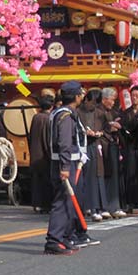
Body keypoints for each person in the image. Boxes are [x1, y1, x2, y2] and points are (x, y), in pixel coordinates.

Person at [44, 81, 87, 255]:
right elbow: (64, 143)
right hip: (65, 164)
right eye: (81, 94)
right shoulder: (65, 116)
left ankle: (64, 237)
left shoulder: (59, 113)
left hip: (65, 162)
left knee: (68, 202)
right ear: (76, 96)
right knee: (62, 203)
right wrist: (65, 166)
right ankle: (54, 240)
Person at [78, 89, 108, 221]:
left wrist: (101, 133)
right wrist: (84, 132)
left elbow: (106, 129)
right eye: (91, 103)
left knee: (97, 176)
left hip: (96, 146)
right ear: (86, 100)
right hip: (82, 147)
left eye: (96, 104)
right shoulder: (78, 113)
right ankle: (86, 206)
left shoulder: (100, 113)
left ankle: (97, 207)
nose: (93, 106)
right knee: (85, 177)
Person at [98, 88, 126, 218]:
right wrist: (109, 127)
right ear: (104, 99)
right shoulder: (98, 112)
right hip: (102, 146)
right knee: (103, 176)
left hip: (113, 146)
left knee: (114, 177)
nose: (113, 102)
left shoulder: (113, 112)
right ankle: (103, 206)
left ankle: (114, 206)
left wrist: (118, 126)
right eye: (112, 99)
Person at [121, 86, 138, 213]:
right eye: (133, 95)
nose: (134, 97)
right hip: (130, 146)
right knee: (130, 173)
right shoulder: (126, 112)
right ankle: (132, 201)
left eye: (137, 95)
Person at [29, 94, 55, 214]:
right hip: (44, 156)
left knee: (36, 181)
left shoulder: (36, 117)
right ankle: (46, 205)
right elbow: (48, 139)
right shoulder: (48, 118)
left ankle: (37, 204)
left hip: (35, 153)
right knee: (46, 181)